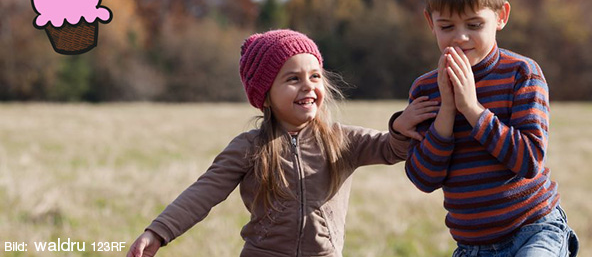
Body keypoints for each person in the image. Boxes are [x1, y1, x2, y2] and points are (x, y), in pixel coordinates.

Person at [127, 29, 436, 257]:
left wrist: (399, 126)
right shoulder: (249, 148)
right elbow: (202, 193)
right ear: (265, 95)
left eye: (315, 76)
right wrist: (158, 231)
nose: (308, 86)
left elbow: (390, 148)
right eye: (292, 79)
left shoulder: (341, 140)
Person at [392, 0, 579, 256]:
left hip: (533, 231)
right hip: (472, 246)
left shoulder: (522, 73)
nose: (461, 37)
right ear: (430, 21)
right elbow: (424, 178)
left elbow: (530, 159)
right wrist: (448, 112)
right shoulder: (425, 89)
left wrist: (472, 108)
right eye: (447, 26)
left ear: (501, 16)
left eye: (474, 25)